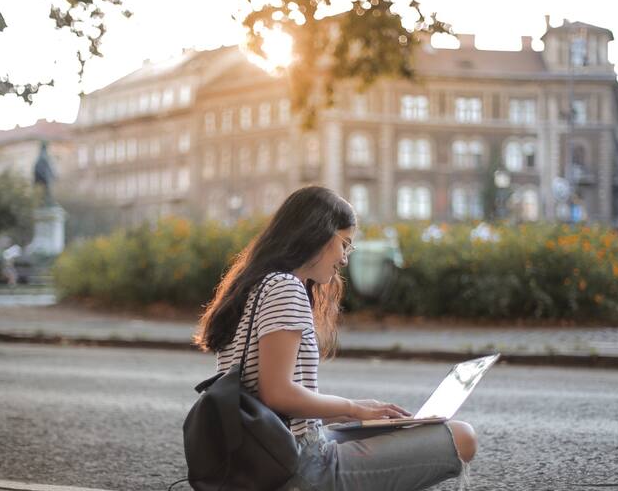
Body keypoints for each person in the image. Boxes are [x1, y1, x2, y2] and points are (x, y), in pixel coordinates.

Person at [194, 186, 477, 490]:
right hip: (295, 464)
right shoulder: (285, 288)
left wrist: (352, 408)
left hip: (269, 452)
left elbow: (264, 401)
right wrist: (352, 408)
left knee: (400, 429)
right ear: (318, 234)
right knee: (461, 436)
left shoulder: (250, 286)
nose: (344, 259)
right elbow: (277, 394)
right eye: (345, 244)